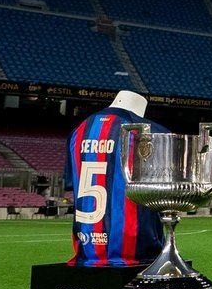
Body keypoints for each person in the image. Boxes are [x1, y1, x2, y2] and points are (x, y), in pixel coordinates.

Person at [64, 89, 166, 266]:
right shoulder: (153, 132)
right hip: (139, 254)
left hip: (86, 252)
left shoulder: (79, 131)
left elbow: (72, 184)